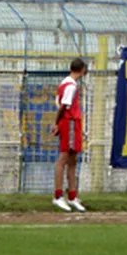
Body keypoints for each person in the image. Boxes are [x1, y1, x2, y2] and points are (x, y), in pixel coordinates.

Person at [50, 58, 88, 213]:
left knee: (73, 159)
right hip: (70, 121)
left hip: (72, 122)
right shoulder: (71, 86)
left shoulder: (64, 83)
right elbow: (63, 107)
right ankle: (58, 195)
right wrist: (56, 123)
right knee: (64, 158)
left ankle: (72, 195)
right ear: (82, 69)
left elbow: (57, 101)